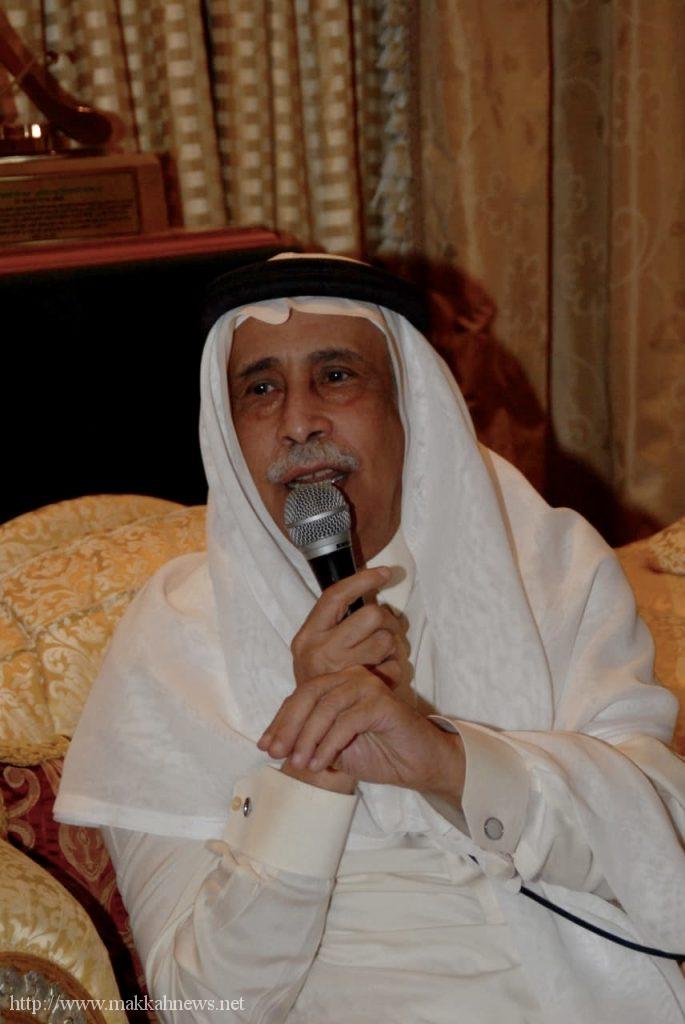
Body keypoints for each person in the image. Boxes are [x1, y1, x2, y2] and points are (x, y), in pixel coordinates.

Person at [55, 253, 685, 1023]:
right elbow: (203, 1005)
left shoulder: (548, 568)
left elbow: (666, 859)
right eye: (260, 390)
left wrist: (447, 763)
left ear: (409, 406)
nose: (298, 422)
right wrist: (313, 768)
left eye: (336, 376)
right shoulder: (177, 633)